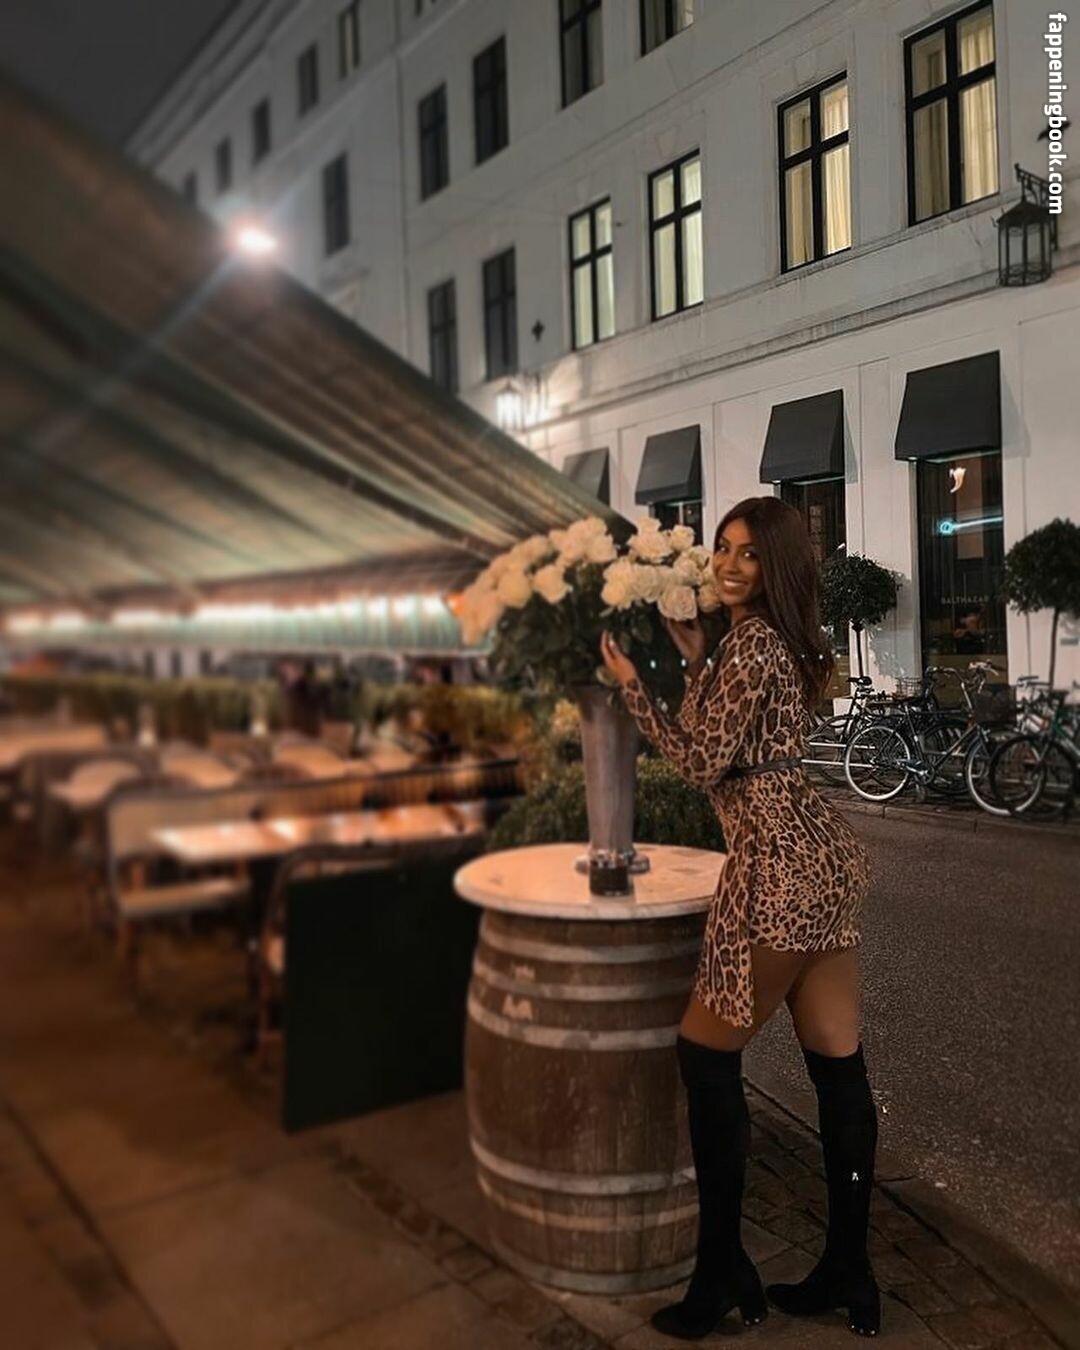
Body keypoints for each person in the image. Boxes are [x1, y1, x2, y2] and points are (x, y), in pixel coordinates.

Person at [599, 497, 880, 1340]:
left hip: (778, 868)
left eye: (749, 553)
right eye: (722, 547)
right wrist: (696, 662)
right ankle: (848, 1269)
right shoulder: (772, 641)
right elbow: (732, 737)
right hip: (824, 859)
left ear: (777, 565)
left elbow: (699, 760)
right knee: (836, 1063)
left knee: (703, 1053)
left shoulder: (754, 643)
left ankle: (721, 1272)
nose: (727, 564)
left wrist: (634, 687)